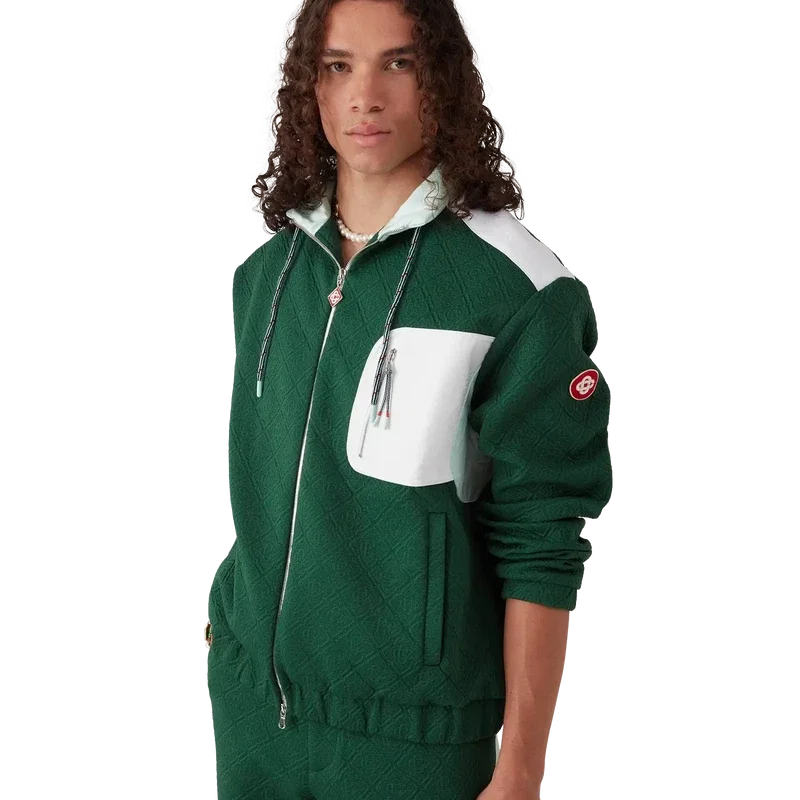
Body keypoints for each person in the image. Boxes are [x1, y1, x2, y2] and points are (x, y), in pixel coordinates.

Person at [207, 1, 614, 798]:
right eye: (338, 66)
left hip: (412, 741)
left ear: (443, 80)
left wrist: (519, 770)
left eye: (399, 62)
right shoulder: (269, 275)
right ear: (311, 88)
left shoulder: (519, 290)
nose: (366, 95)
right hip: (255, 715)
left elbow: (543, 536)